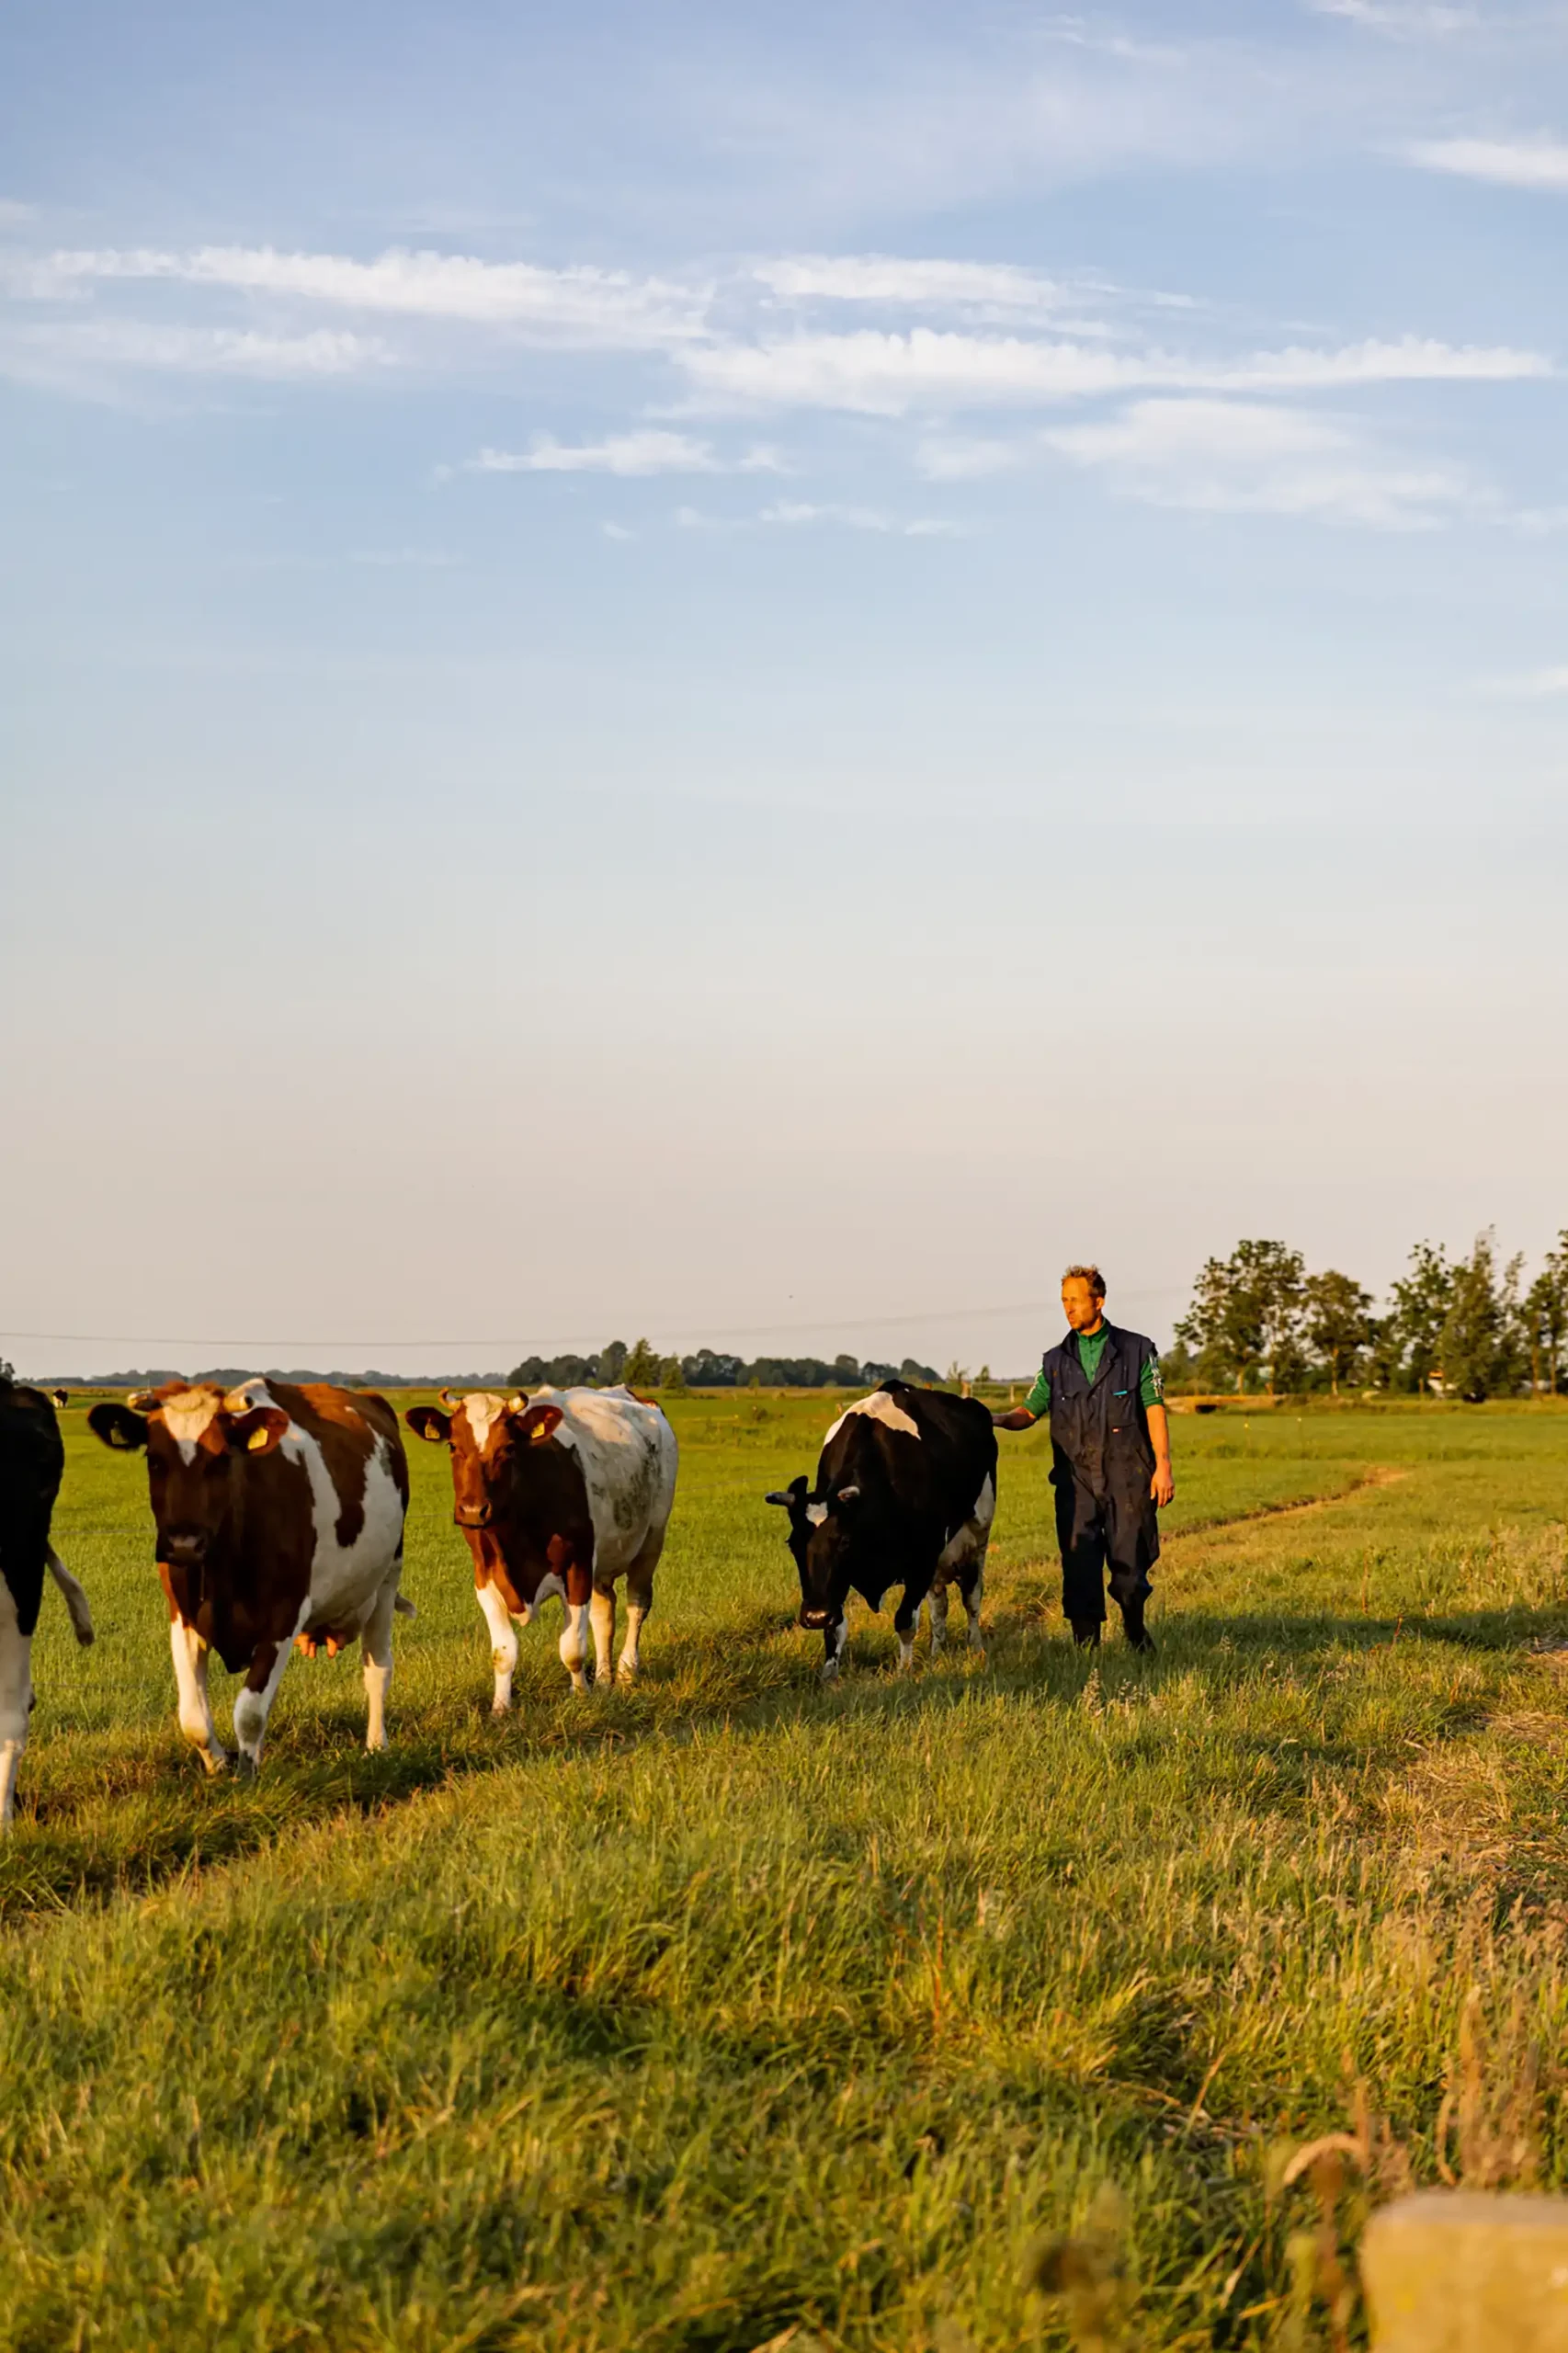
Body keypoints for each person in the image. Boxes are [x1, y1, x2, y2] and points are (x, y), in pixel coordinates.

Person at [993, 1264, 1174, 1653]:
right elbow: (1028, 1412)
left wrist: (1163, 1467)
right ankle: (1086, 1651)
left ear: (1099, 1301)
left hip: (1128, 1478)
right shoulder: (1055, 1362)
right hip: (1075, 1483)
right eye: (1063, 1302)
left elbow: (1155, 1408)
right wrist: (990, 1419)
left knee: (1129, 1570)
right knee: (1079, 1569)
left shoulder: (1136, 1350)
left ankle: (1135, 1629)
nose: (1068, 1309)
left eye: (1075, 1300)